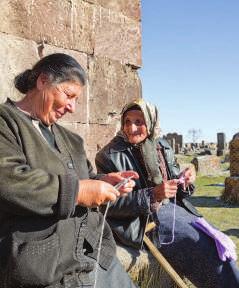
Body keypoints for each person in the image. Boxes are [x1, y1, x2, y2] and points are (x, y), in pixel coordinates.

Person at [0, 53, 139, 288]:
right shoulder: (6, 123)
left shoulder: (70, 139)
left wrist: (105, 181)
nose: (73, 107)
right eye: (69, 95)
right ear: (43, 81)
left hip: (93, 255)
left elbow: (85, 178)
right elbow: (9, 180)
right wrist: (77, 192)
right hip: (44, 267)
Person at [95, 98, 239, 288]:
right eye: (127, 121)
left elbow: (176, 191)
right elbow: (109, 205)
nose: (131, 128)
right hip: (145, 222)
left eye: (139, 122)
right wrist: (152, 195)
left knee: (218, 242)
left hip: (174, 210)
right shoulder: (108, 155)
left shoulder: (161, 146)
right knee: (201, 247)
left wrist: (184, 181)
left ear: (151, 121)